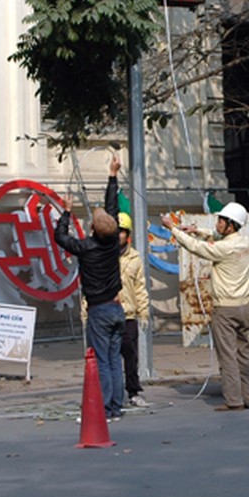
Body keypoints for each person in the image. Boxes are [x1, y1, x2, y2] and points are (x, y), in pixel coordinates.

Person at [162, 201, 249, 411]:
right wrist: (196, 230)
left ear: (231, 225)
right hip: (244, 308)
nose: (218, 223)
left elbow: (198, 248)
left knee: (228, 357)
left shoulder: (224, 248)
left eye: (221, 220)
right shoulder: (243, 242)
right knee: (244, 354)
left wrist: (172, 229)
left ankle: (234, 400)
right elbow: (214, 237)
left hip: (225, 309)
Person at [53, 157, 126, 421]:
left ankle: (105, 410)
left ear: (93, 229)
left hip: (99, 311)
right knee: (115, 360)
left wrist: (65, 212)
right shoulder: (112, 245)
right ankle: (116, 407)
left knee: (103, 362)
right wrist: (112, 175)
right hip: (118, 309)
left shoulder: (87, 248)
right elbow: (113, 209)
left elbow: (60, 238)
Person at [116, 210, 151, 408]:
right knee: (108, 358)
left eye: (122, 231)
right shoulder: (103, 255)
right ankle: (111, 394)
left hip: (128, 314)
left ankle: (134, 391)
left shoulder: (135, 258)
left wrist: (143, 312)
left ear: (127, 234)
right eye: (116, 231)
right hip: (107, 313)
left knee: (130, 356)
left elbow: (140, 287)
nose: (118, 235)